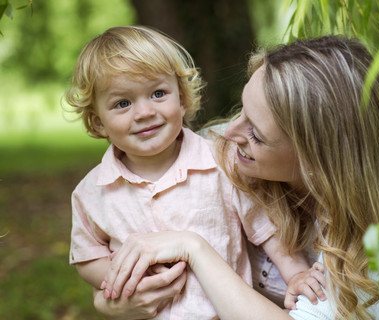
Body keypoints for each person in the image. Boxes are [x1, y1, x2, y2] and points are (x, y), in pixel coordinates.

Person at [64, 25, 323, 320]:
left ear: (183, 98)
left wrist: (297, 275)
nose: (145, 112)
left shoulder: (222, 163)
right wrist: (120, 281)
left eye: (158, 93)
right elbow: (87, 257)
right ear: (98, 123)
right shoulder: (92, 192)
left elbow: (266, 228)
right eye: (123, 103)